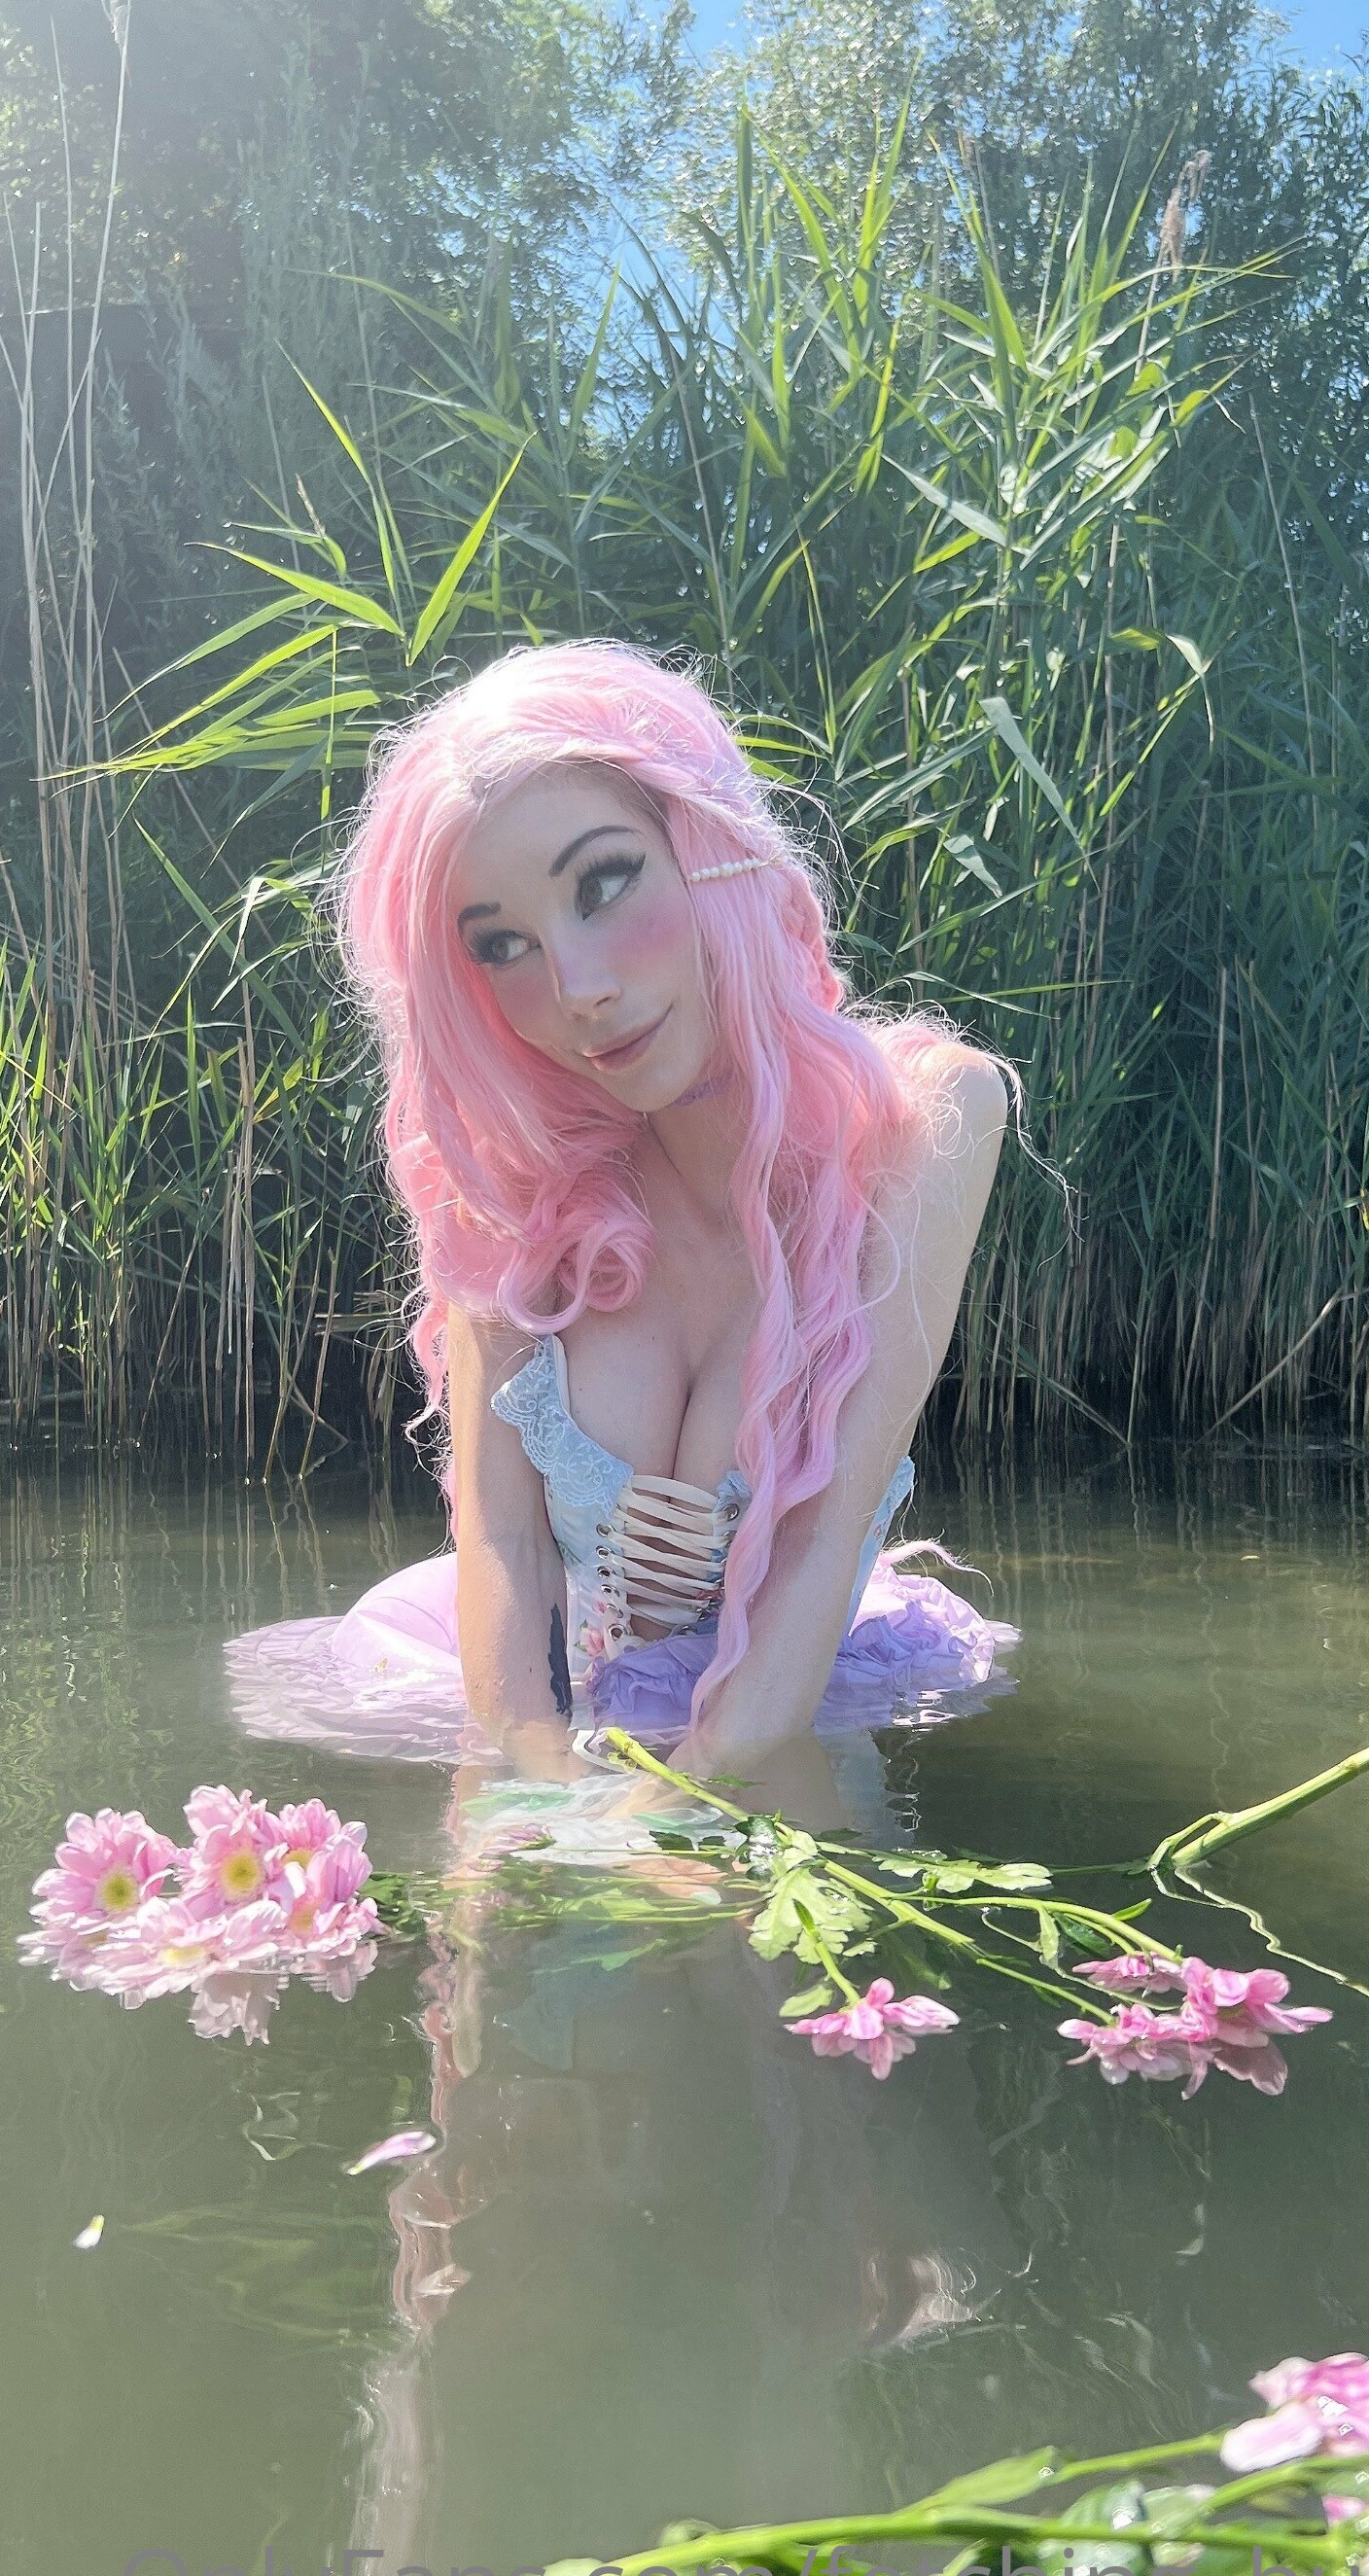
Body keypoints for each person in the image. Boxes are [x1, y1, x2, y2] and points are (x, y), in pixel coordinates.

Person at [226, 641, 1017, 1789]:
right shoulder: (513, 1187)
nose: (578, 987)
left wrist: (675, 1819)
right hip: (533, 1701)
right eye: (504, 945)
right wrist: (548, 1799)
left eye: (603, 883)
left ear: (707, 848)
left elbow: (819, 1543)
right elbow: (500, 1544)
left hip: (788, 1698)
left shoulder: (928, 1121)